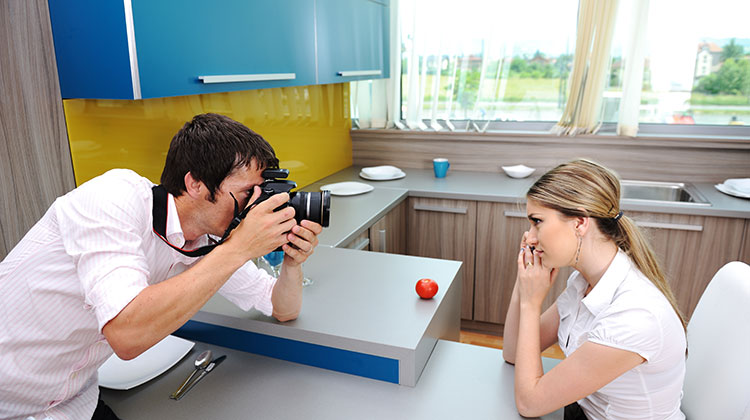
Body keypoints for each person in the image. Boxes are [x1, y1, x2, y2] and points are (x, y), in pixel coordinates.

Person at [0, 113, 323, 420]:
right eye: (245, 194)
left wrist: (292, 264)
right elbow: (127, 334)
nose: (255, 206)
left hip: (71, 403)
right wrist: (239, 248)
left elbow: (282, 308)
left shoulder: (209, 238)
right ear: (195, 184)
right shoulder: (112, 199)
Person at [502, 159, 687, 420]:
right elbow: (512, 353)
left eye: (538, 222)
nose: (530, 237)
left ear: (580, 223)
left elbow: (530, 404)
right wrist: (525, 282)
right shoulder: (584, 283)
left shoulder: (634, 316)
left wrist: (532, 304)